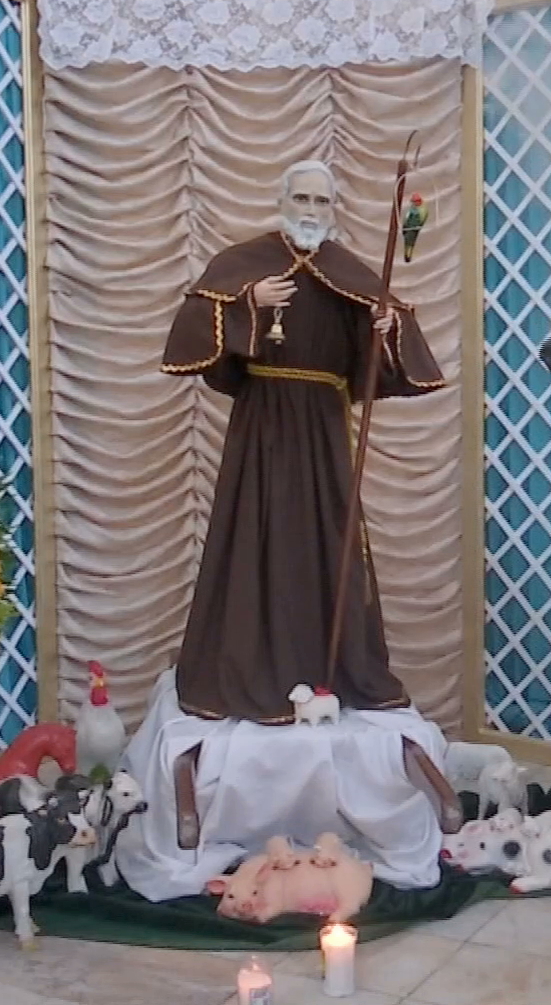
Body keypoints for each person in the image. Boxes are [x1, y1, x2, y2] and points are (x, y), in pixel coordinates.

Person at [161, 160, 446, 724]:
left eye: (322, 202)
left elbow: (378, 367)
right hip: (263, 426)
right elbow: (195, 336)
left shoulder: (347, 271)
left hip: (323, 429)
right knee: (255, 536)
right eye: (303, 199)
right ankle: (248, 667)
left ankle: (334, 667)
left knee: (327, 542)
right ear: (283, 200)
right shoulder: (247, 265)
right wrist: (250, 305)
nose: (312, 211)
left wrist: (382, 333)